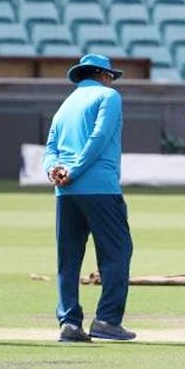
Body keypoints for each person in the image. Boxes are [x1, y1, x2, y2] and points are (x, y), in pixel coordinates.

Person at [43, 54, 136, 342]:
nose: (112, 80)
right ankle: (107, 320)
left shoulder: (65, 104)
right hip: (100, 188)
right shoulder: (109, 96)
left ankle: (69, 323)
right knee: (117, 253)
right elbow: (99, 137)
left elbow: (50, 148)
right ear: (101, 74)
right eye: (110, 75)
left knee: (68, 259)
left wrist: (54, 171)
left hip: (66, 192)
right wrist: (74, 170)